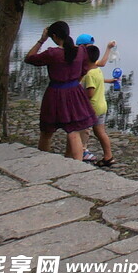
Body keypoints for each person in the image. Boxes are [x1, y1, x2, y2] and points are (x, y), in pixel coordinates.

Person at [24, 21, 98, 160]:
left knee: (47, 131)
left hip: (55, 93)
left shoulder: (53, 53)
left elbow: (29, 58)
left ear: (54, 36)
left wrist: (41, 40)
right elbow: (85, 68)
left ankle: (44, 160)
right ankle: (74, 163)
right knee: (73, 130)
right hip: (75, 92)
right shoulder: (81, 51)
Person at [78, 45, 114, 167]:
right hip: (102, 106)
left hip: (91, 108)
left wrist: (78, 95)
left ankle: (80, 153)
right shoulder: (98, 71)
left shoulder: (89, 75)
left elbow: (90, 93)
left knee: (81, 131)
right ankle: (108, 156)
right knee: (100, 132)